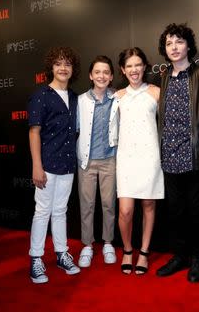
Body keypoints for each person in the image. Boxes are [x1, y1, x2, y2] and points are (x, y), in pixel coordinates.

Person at [155, 23, 199, 283]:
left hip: (194, 154)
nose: (174, 47)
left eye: (179, 41)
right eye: (169, 43)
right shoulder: (164, 77)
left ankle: (197, 259)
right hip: (169, 155)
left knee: (196, 211)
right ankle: (179, 256)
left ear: (188, 45)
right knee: (174, 211)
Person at [27, 46, 82, 283]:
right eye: (59, 63)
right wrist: (36, 166)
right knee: (42, 212)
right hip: (47, 165)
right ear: (51, 67)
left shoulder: (74, 97)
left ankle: (61, 253)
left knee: (60, 211)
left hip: (68, 165)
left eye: (67, 64)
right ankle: (36, 259)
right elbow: (34, 132)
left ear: (73, 69)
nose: (63, 68)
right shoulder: (41, 95)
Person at [115, 47, 164, 275]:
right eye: (129, 66)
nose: (134, 70)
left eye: (138, 65)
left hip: (150, 156)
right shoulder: (118, 96)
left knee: (148, 205)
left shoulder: (155, 92)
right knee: (125, 211)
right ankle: (127, 249)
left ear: (144, 67)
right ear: (123, 70)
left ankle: (143, 252)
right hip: (126, 158)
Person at [76, 56, 119, 268]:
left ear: (111, 76)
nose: (101, 76)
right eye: (97, 72)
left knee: (109, 204)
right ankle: (87, 245)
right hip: (86, 161)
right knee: (87, 205)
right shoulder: (80, 101)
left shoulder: (118, 99)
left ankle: (108, 242)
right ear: (91, 75)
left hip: (110, 159)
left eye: (106, 72)